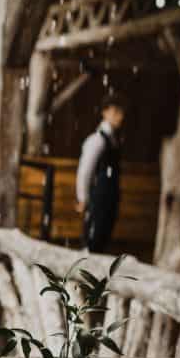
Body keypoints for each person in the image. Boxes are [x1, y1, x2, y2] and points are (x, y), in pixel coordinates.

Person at [75, 97, 125, 253]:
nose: (119, 117)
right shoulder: (97, 140)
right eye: (115, 112)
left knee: (102, 239)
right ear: (105, 113)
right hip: (98, 198)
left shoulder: (114, 140)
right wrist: (83, 197)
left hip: (109, 197)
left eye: (121, 112)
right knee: (92, 241)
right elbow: (85, 170)